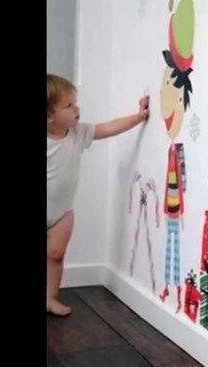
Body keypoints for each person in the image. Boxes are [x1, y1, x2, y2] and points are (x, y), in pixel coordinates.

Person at [47, 74, 149, 316]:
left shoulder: (78, 133)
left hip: (61, 214)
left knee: (56, 255)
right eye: (69, 105)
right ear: (49, 116)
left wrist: (137, 117)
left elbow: (108, 127)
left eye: (75, 102)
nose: (77, 108)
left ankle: (49, 298)